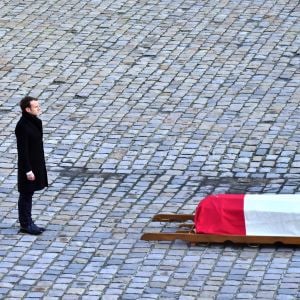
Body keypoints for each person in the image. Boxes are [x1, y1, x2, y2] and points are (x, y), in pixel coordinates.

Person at [15, 96, 48, 235]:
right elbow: (22, 152)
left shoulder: (34, 121)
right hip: (28, 167)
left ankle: (29, 221)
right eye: (36, 107)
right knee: (26, 194)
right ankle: (25, 224)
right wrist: (28, 170)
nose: (38, 108)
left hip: (36, 163)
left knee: (29, 194)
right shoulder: (22, 126)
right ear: (27, 109)